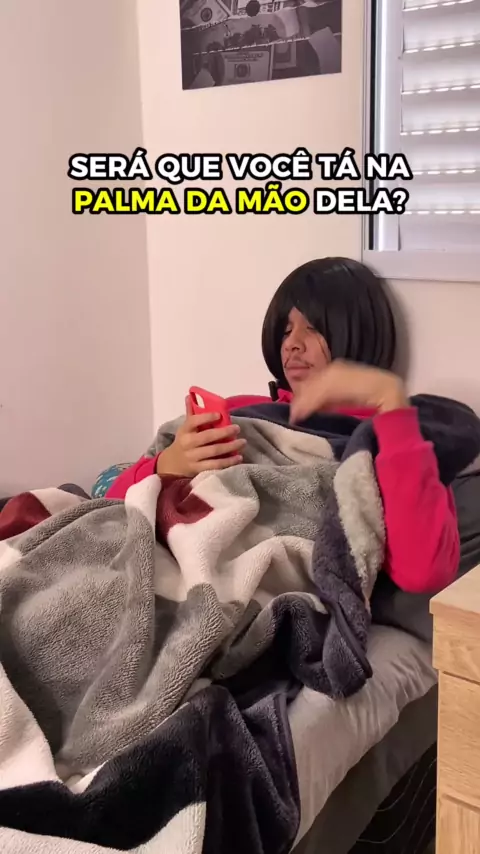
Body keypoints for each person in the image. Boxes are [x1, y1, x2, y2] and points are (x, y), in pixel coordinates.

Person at [107, 257, 459, 595]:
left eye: (313, 328)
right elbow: (108, 505)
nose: (292, 343)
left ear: (360, 332)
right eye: (286, 330)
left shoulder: (394, 437)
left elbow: (423, 571)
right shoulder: (244, 410)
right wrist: (167, 465)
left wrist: (389, 397)